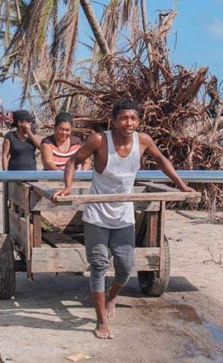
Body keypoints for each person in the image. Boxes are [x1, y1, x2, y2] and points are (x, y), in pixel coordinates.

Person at [53, 99, 195, 340]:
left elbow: (161, 160)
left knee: (126, 267)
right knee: (98, 266)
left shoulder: (143, 141)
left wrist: (182, 185)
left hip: (123, 215)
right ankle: (101, 320)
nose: (128, 123)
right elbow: (73, 161)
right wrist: (68, 187)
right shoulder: (100, 140)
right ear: (114, 120)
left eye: (133, 118)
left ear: (138, 121)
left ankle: (112, 297)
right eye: (123, 118)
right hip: (97, 215)